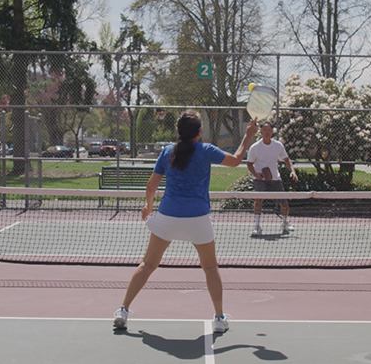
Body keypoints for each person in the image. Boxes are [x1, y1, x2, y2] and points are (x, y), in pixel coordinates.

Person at [113, 110, 258, 333]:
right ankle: (219, 318)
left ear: (179, 131)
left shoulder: (166, 151)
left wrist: (148, 207)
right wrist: (247, 137)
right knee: (210, 267)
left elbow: (151, 186)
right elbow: (237, 160)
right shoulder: (206, 150)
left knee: (148, 265)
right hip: (197, 218)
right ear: (199, 133)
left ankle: (122, 310)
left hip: (167, 216)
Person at [246, 121, 298, 236]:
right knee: (258, 201)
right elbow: (249, 164)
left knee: (284, 204)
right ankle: (257, 227)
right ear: (261, 131)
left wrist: (293, 172)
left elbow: (286, 160)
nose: (267, 132)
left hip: (275, 179)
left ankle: (284, 223)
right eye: (265, 130)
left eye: (269, 130)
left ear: (272, 132)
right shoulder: (255, 147)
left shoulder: (278, 146)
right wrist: (256, 175)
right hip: (260, 179)